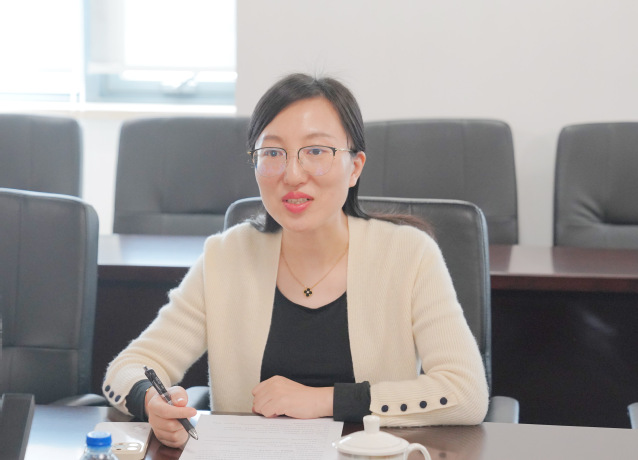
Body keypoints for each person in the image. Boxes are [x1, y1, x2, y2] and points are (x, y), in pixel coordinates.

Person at [102, 73, 489, 447]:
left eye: (316, 151)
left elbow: (466, 391)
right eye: (272, 153)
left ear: (354, 167)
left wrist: (324, 400)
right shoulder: (225, 257)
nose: (292, 174)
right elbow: (127, 368)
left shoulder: (408, 254)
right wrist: (152, 403)